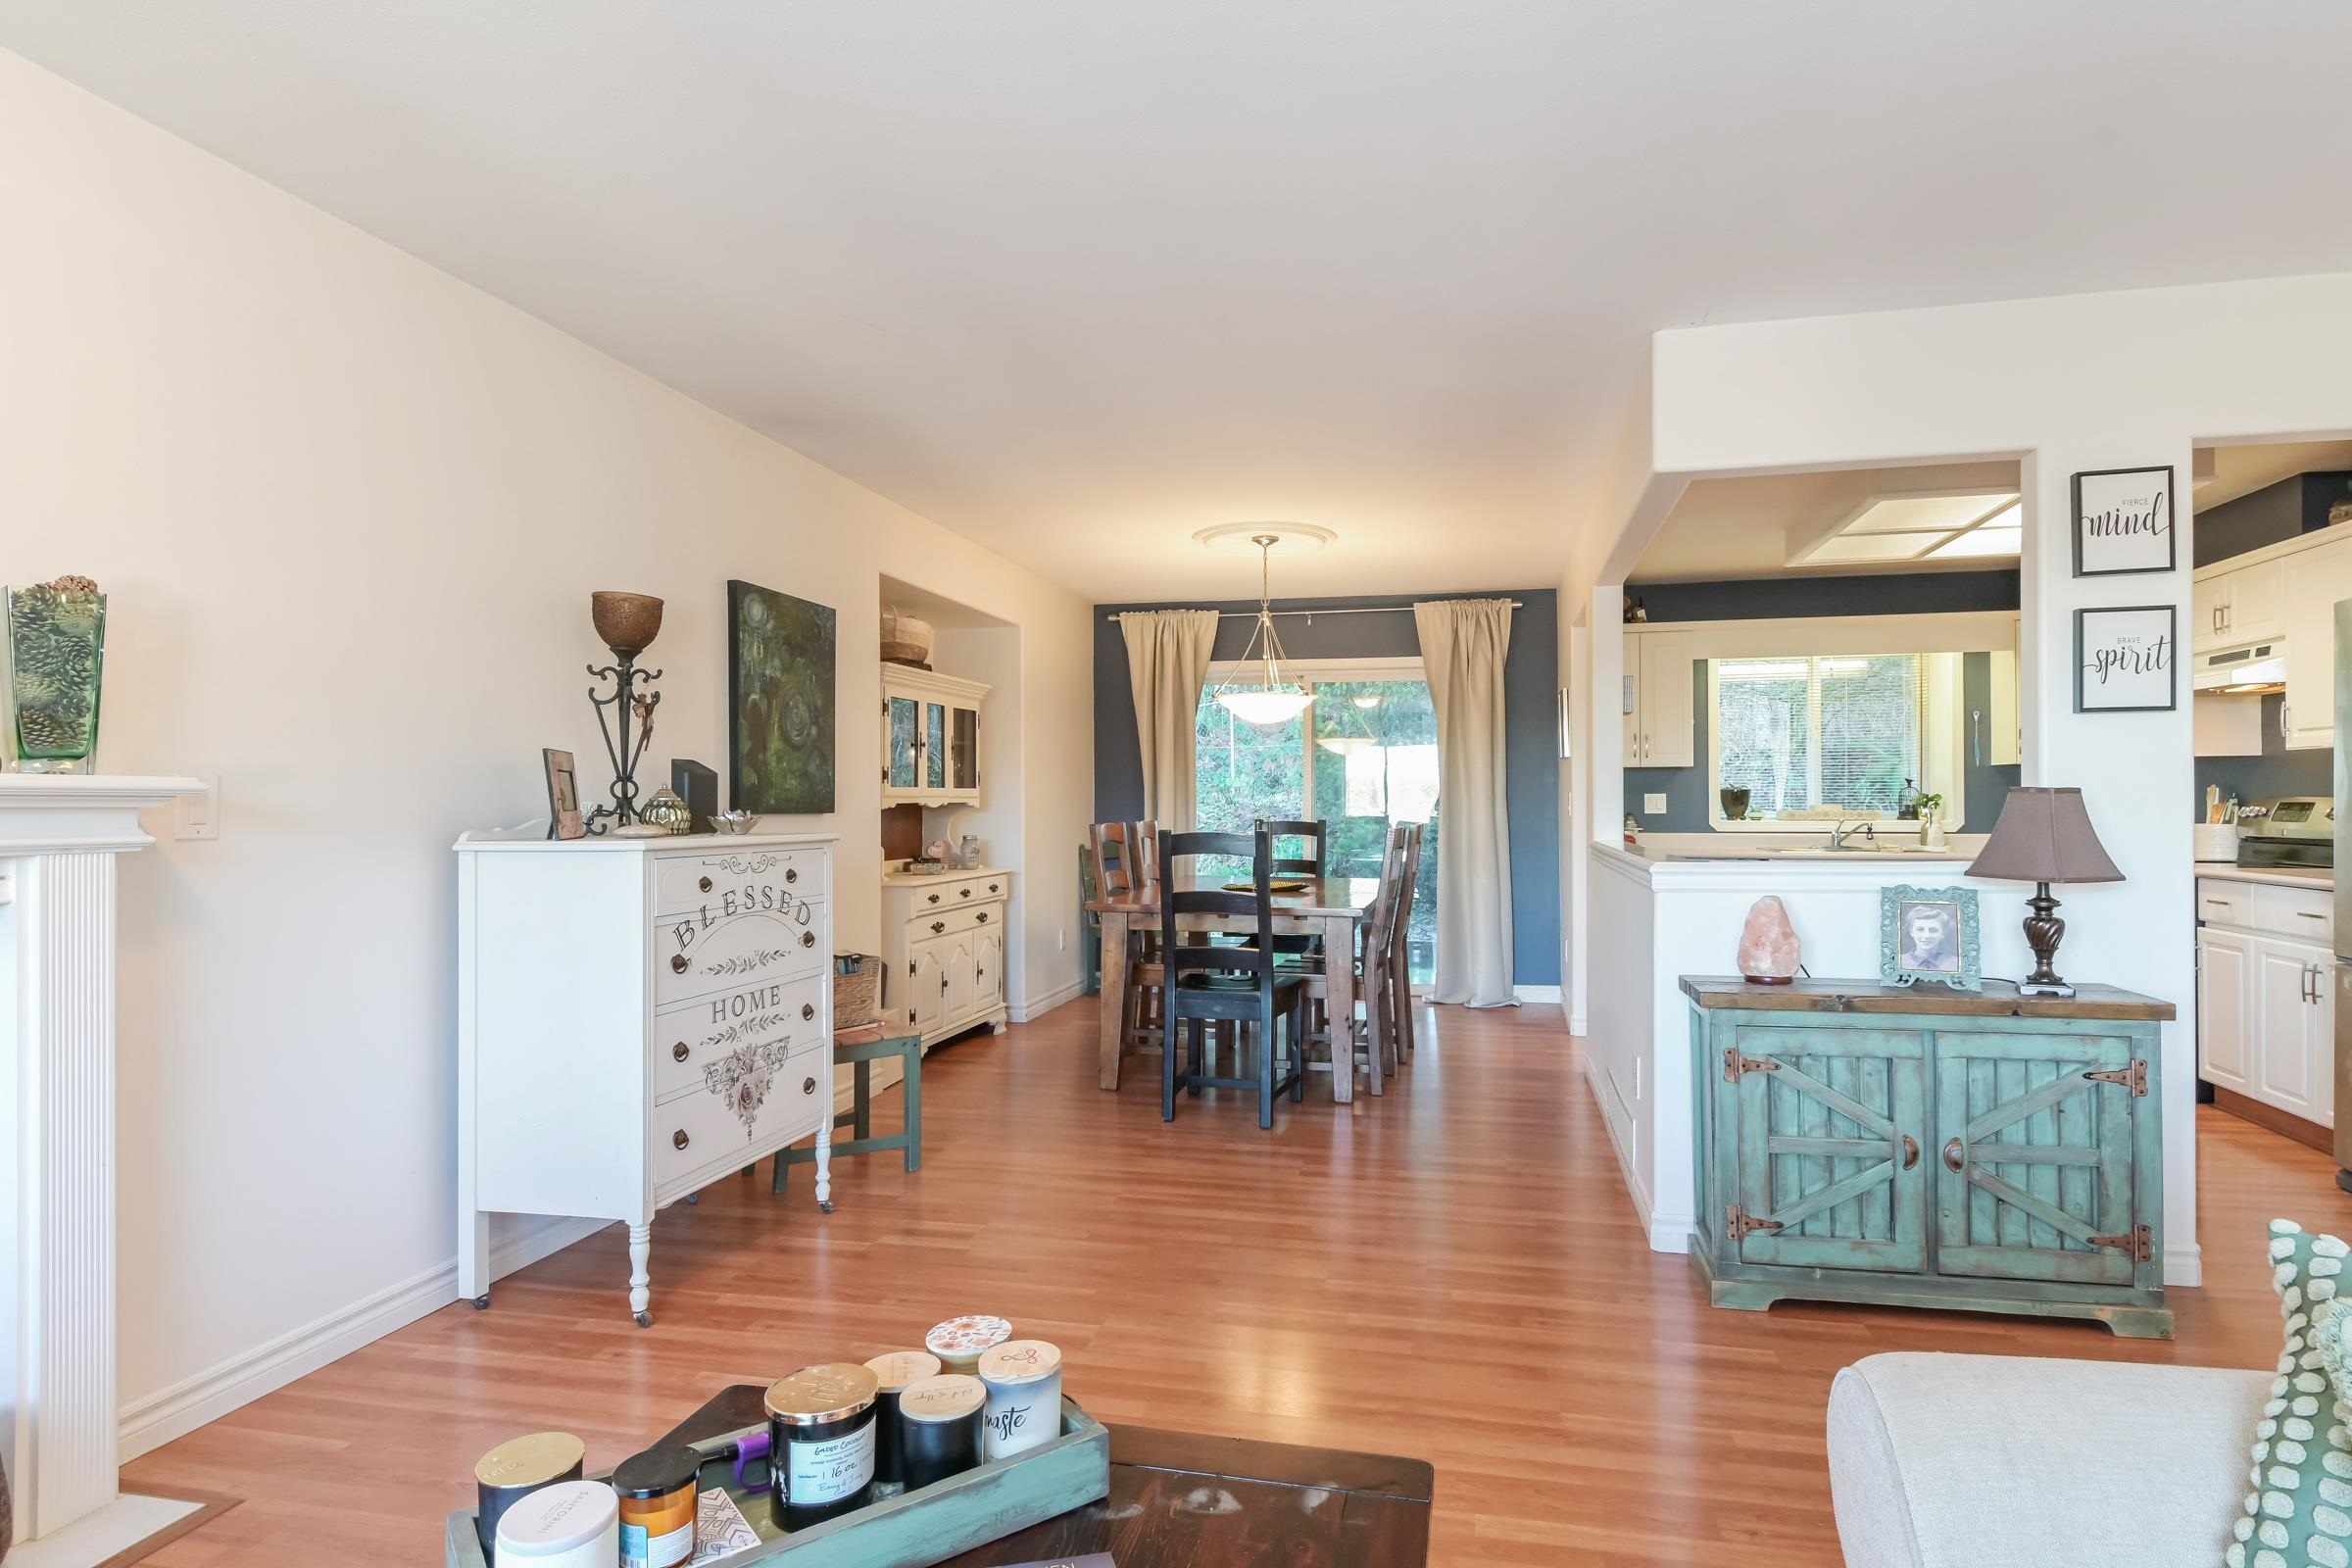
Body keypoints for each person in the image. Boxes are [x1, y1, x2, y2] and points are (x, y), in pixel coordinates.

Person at [1900, 904, 1960, 972]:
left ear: (1943, 933)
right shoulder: (1900, 961)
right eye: (1920, 930)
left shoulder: (1956, 963)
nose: (1927, 936)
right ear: (1911, 932)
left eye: (1933, 930)